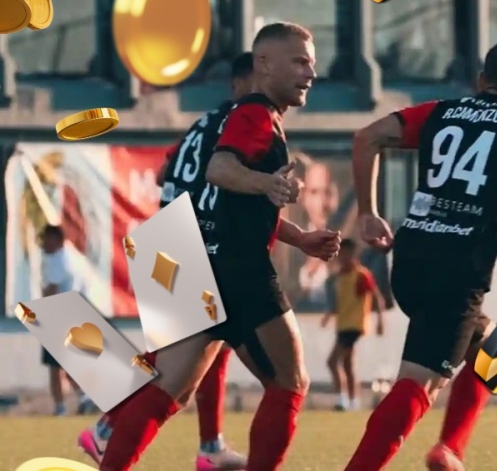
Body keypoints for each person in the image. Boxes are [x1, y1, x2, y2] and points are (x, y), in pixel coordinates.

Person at [95, 23, 341, 471]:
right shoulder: (255, 114)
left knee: (169, 388)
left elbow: (219, 193)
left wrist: (300, 237)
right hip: (238, 267)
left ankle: (113, 446)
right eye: (300, 62)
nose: (310, 73)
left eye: (312, 64)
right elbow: (220, 170)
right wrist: (267, 183)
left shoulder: (224, 119)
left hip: (197, 254)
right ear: (263, 65)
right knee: (290, 383)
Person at [343, 40, 497, 471]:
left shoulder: (440, 112)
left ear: (482, 80)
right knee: (420, 383)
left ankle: (450, 449)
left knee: (489, 350)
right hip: (458, 267)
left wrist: (367, 212)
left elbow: (367, 137)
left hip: (410, 256)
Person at [78, 52, 256, 470]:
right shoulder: (243, 123)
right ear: (239, 83)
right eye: (257, 80)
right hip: (188, 242)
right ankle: (106, 429)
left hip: (170, 238)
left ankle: (210, 445)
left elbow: (162, 175)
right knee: (176, 363)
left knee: (208, 349)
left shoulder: (205, 123)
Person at [321, 238, 385, 411]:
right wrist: (328, 316)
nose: (342, 257)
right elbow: (338, 303)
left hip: (355, 325)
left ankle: (342, 400)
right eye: (340, 254)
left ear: (352, 254)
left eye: (346, 253)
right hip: (343, 325)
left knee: (332, 361)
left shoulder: (361, 274)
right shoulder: (340, 276)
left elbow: (377, 298)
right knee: (347, 364)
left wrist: (380, 321)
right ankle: (353, 402)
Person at [38, 224, 96, 416]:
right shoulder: (74, 256)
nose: (43, 243)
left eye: (46, 239)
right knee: (68, 362)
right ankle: (85, 398)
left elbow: (51, 291)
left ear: (56, 240)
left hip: (59, 315)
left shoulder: (58, 259)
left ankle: (60, 408)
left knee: (54, 367)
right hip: (75, 314)